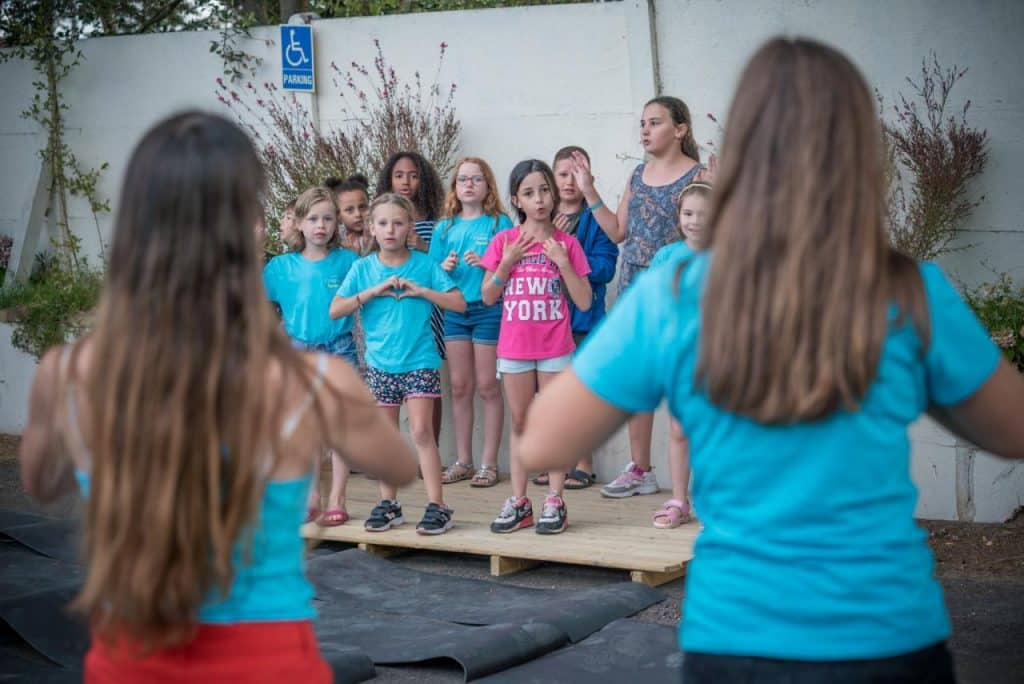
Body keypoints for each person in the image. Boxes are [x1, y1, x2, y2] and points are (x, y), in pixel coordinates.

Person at [518, 38, 1024, 682]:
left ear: (740, 156)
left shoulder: (675, 288)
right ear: (858, 154)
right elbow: (1013, 431)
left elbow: (542, 443)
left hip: (737, 638)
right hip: (889, 638)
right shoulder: (909, 290)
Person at [18, 111, 417, 682]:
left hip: (128, 662)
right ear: (243, 226)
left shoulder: (67, 372)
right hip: (271, 665)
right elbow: (398, 465)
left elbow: (41, 483)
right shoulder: (312, 383)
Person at [331, 193, 466, 535]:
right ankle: (389, 504)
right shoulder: (363, 269)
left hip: (419, 360)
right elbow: (337, 309)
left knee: (421, 431)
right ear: (372, 229)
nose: (390, 230)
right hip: (380, 365)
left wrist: (423, 292)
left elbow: (458, 302)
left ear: (409, 226)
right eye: (383, 223)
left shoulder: (424, 265)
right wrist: (372, 292)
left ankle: (438, 504)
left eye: (398, 222)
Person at [598, 96, 704, 501]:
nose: (644, 129)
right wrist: (590, 191)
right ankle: (640, 469)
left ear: (680, 129)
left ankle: (700, 484)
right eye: (642, 122)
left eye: (655, 122)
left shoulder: (699, 176)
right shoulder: (637, 175)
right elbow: (618, 231)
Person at [480, 160, 592, 535]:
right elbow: (488, 296)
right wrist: (506, 264)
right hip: (514, 348)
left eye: (545, 189)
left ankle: (555, 499)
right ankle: (519, 500)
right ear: (517, 199)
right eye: (529, 193)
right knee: (522, 421)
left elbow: (585, 301)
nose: (540, 199)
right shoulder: (504, 241)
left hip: (555, 347)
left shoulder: (567, 243)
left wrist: (563, 264)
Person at [264, 186, 359, 527]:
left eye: (328, 218)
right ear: (298, 224)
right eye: (313, 218)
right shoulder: (279, 267)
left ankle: (338, 497)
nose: (321, 225)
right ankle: (311, 497)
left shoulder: (348, 262)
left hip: (339, 348)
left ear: (337, 224)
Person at [531, 145, 619, 490]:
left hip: (585, 319)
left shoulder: (596, 219)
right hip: (546, 320)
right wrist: (548, 234)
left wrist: (567, 248)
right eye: (562, 174)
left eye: (576, 173)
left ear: (588, 177)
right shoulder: (539, 217)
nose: (569, 181)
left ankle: (583, 463)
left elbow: (606, 268)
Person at [430, 157, 512, 488]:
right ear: (455, 187)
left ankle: (489, 463)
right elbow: (431, 274)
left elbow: (509, 268)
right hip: (455, 311)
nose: (469, 184)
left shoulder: (499, 223)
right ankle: (464, 460)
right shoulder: (444, 227)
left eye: (476, 179)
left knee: (489, 387)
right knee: (460, 387)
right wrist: (445, 268)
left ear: (487, 185)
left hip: (488, 309)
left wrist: (486, 264)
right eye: (463, 179)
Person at [647, 181, 711, 529]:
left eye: (704, 214)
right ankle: (679, 500)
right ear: (678, 216)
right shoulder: (666, 257)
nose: (695, 221)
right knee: (679, 429)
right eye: (688, 213)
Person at [376, 151, 447, 445]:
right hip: (391, 309)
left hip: (430, 309)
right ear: (389, 179)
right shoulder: (381, 220)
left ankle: (431, 449)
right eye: (399, 175)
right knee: (387, 380)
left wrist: (423, 246)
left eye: (414, 175)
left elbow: (445, 269)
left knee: (427, 379)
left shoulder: (437, 223)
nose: (406, 181)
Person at [326, 174, 375, 256]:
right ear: (338, 216)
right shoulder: (334, 239)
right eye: (349, 210)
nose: (358, 214)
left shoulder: (378, 233)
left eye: (362, 207)